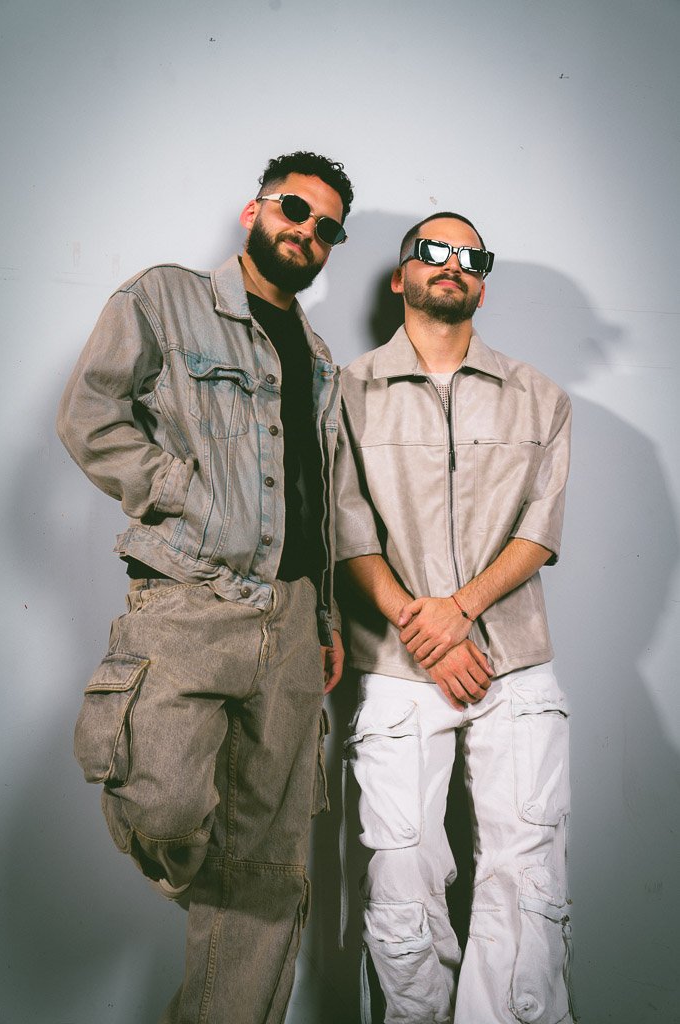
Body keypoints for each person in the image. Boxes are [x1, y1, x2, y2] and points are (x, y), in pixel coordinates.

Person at [57, 150, 353, 1024]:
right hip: (193, 596)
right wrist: (183, 493)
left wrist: (326, 618)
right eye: (294, 209)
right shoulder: (166, 297)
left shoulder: (321, 358)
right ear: (254, 211)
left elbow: (318, 496)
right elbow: (88, 414)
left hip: (293, 621)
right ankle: (209, 864)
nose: (307, 231)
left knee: (267, 865)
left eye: (327, 228)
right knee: (166, 802)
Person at [335, 212, 575, 1024]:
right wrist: (427, 634)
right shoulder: (348, 391)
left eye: (471, 256)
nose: (452, 264)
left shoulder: (540, 396)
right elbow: (348, 531)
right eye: (432, 251)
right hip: (398, 663)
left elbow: (540, 531)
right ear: (400, 274)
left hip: (515, 663)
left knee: (526, 877)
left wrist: (460, 611)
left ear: (481, 282)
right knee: (400, 877)